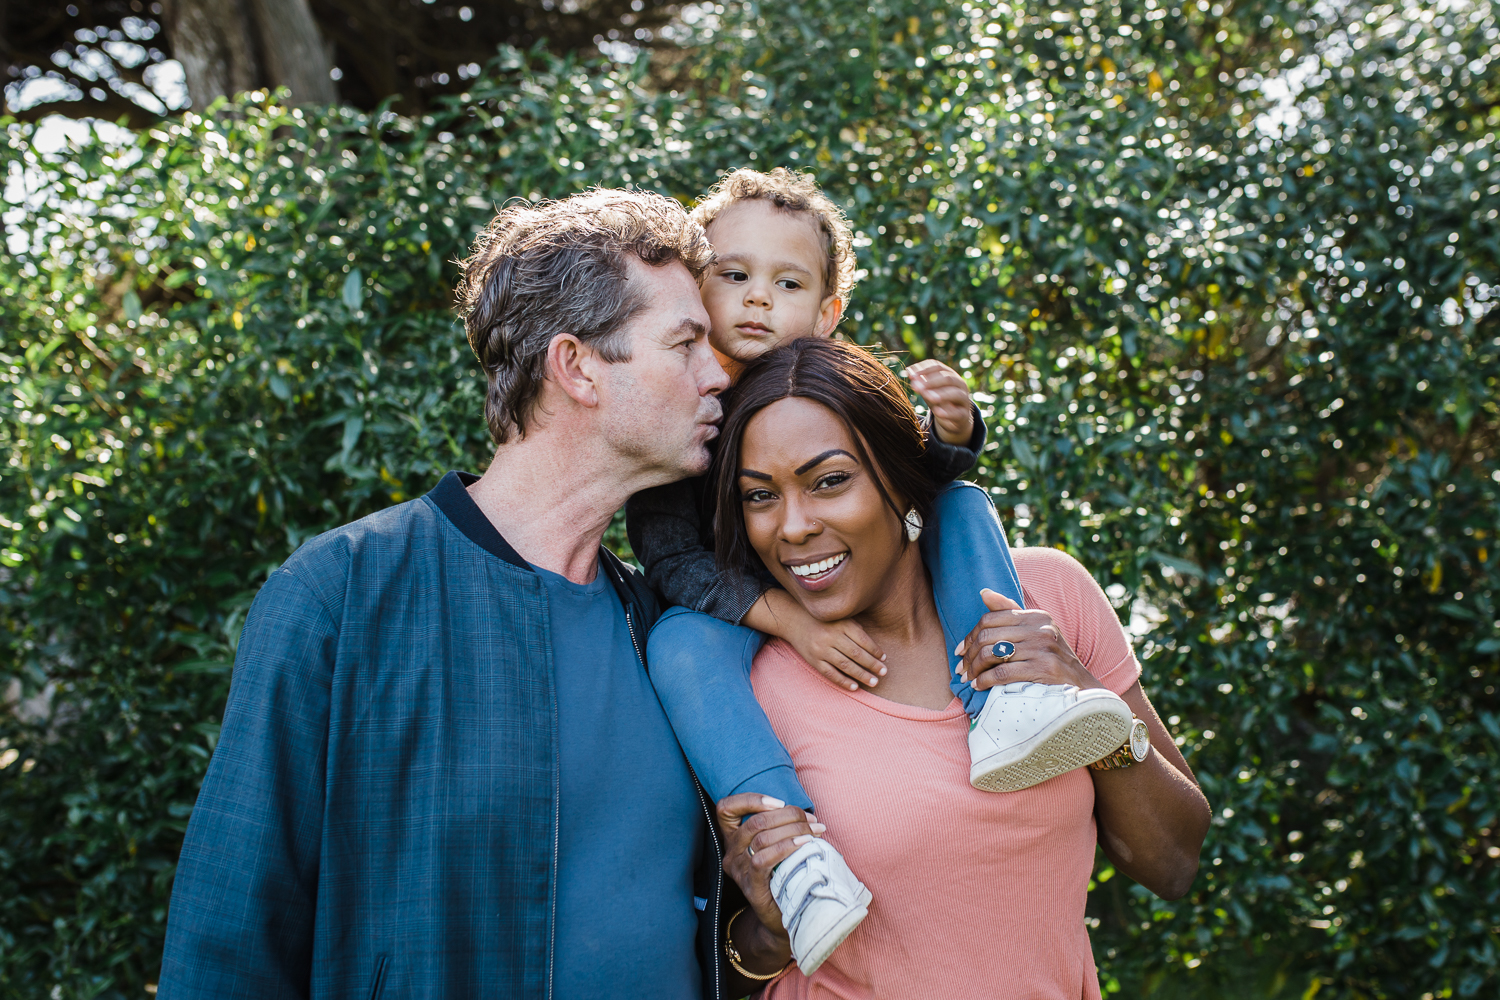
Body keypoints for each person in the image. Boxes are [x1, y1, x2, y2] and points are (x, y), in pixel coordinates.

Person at [157, 190, 768, 999]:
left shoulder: (663, 626)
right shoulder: (342, 593)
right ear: (576, 366)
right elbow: (228, 942)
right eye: (685, 342)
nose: (717, 371)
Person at [627, 168, 1134, 975]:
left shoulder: (843, 395)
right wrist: (791, 622)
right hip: (746, 622)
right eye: (734, 276)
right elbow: (672, 563)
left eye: (785, 282)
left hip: (931, 628)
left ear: (828, 315)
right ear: (696, 290)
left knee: (963, 502)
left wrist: (956, 432)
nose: (758, 299)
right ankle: (796, 855)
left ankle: (1003, 696)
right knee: (679, 640)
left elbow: (923, 477)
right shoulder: (684, 419)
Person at [705, 337, 1213, 996]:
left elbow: (1171, 865)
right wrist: (771, 930)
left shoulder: (1048, 596)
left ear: (900, 477)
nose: (793, 527)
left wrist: (1092, 709)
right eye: (759, 497)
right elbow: (715, 964)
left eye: (829, 481)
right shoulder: (747, 686)